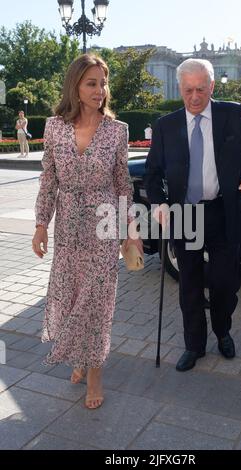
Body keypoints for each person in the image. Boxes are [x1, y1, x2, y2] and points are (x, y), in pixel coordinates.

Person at [145, 58, 241, 372]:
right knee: (189, 283)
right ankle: (194, 345)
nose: (193, 97)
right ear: (180, 88)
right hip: (185, 215)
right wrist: (159, 202)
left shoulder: (231, 114)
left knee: (224, 284)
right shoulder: (166, 125)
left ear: (212, 86)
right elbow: (152, 173)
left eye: (200, 89)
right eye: (188, 90)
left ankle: (223, 331)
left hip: (223, 212)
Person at [32, 54, 142, 409]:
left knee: (96, 301)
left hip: (104, 225)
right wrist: (40, 225)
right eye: (91, 83)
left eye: (103, 82)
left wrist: (131, 230)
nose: (100, 90)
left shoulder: (117, 130)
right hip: (67, 227)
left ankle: (95, 372)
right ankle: (79, 356)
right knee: (69, 297)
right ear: (76, 87)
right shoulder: (54, 127)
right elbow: (49, 179)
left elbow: (123, 185)